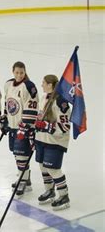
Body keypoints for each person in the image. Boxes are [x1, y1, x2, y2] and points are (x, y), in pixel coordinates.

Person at [35, 74, 72, 210]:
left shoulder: (61, 102)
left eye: (43, 82)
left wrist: (47, 126)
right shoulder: (44, 97)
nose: (42, 85)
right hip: (42, 139)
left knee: (53, 168)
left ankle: (64, 195)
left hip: (55, 141)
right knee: (43, 166)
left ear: (50, 85)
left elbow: (65, 127)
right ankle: (49, 190)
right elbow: (40, 118)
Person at [2, 61, 39, 198]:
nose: (19, 75)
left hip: (24, 128)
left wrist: (25, 125)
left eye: (21, 72)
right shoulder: (8, 84)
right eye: (17, 72)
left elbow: (33, 106)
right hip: (12, 126)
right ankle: (26, 179)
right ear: (13, 71)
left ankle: (22, 181)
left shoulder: (29, 86)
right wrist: (5, 119)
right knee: (17, 154)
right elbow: (7, 103)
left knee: (22, 154)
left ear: (25, 72)